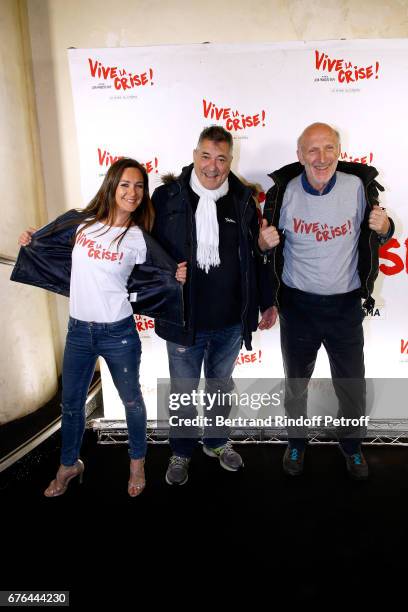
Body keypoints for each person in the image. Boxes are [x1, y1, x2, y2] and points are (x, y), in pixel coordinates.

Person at [12, 158, 186, 497]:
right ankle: (68, 465)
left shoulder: (137, 238)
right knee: (71, 404)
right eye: (125, 184)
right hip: (78, 332)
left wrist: (174, 276)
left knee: (132, 401)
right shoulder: (82, 223)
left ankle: (137, 461)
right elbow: (47, 246)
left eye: (139, 186)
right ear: (111, 186)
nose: (132, 192)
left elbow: (160, 276)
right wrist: (31, 238)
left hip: (118, 334)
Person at [261, 122, 394, 480]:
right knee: (295, 383)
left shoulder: (357, 188)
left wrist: (386, 228)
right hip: (298, 305)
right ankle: (296, 442)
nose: (321, 158)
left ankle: (351, 447)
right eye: (313, 150)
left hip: (344, 307)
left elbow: (381, 229)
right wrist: (263, 244)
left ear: (339, 151)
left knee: (351, 383)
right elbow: (264, 245)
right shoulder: (284, 192)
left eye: (329, 148)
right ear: (300, 155)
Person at [151, 125, 277, 485]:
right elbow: (144, 249)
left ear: (230, 161)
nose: (213, 166)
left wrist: (267, 302)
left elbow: (257, 256)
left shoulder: (243, 200)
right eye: (206, 156)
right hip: (183, 319)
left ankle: (218, 441)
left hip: (230, 321)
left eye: (221, 158)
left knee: (221, 385)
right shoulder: (166, 198)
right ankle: (181, 450)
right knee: (183, 390)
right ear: (194, 156)